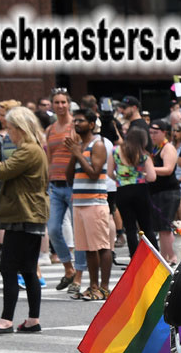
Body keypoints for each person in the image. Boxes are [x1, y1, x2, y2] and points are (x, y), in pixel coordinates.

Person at [0, 106, 49, 335]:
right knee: (27, 269)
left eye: (10, 128)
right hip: (29, 213)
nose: (8, 134)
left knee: (9, 268)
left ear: (20, 128)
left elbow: (4, 171)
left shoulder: (29, 150)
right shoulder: (33, 149)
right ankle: (32, 319)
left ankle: (6, 321)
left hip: (24, 214)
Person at [66, 108, 112, 300]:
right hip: (79, 203)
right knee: (87, 248)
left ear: (92, 124)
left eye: (81, 121)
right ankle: (92, 286)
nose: (76, 124)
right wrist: (74, 154)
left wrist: (78, 154)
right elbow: (69, 178)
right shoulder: (79, 146)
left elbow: (94, 173)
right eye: (75, 121)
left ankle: (104, 287)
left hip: (95, 202)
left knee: (102, 246)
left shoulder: (98, 144)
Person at [45, 89, 78, 292]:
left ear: (68, 104)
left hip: (73, 183)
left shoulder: (76, 125)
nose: (60, 106)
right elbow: (49, 156)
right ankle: (68, 268)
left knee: (79, 232)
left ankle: (79, 275)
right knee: (54, 229)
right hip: (54, 184)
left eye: (63, 102)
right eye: (56, 102)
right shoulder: (50, 129)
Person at [109, 126, 158, 260]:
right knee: (147, 226)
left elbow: (109, 173)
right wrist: (141, 175)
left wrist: (120, 179)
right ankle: (155, 257)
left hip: (122, 190)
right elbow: (152, 177)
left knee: (130, 228)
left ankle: (135, 259)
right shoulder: (144, 155)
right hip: (140, 189)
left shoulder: (115, 151)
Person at [147, 119, 181, 264]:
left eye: (155, 133)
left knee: (165, 227)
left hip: (168, 192)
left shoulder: (168, 148)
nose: (152, 136)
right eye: (150, 133)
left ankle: (171, 256)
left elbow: (168, 169)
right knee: (160, 227)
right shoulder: (154, 148)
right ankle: (164, 255)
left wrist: (148, 170)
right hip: (157, 191)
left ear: (164, 133)